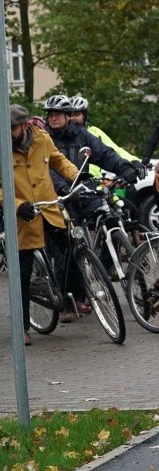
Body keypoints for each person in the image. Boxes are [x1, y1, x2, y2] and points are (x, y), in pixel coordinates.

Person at [44, 94, 139, 321]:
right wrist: (62, 188)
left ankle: (106, 263)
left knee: (110, 215)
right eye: (50, 114)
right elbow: (46, 169)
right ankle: (69, 300)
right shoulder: (44, 138)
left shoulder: (81, 134)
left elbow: (105, 153)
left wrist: (125, 168)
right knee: (67, 247)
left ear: (68, 117)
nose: (53, 118)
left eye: (57, 114)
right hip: (57, 196)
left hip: (82, 190)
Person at [1, 105, 80, 346]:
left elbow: (59, 161)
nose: (9, 132)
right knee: (21, 275)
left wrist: (76, 177)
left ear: (25, 126)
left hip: (49, 210)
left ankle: (66, 296)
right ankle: (23, 327)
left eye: (12, 128)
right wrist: (16, 204)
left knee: (72, 249)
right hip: (24, 219)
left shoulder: (42, 139)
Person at [67, 95, 147, 180]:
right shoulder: (60, 136)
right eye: (70, 115)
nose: (73, 118)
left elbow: (114, 151)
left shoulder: (95, 132)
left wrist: (134, 161)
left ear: (85, 116)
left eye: (77, 114)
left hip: (94, 183)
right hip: (70, 183)